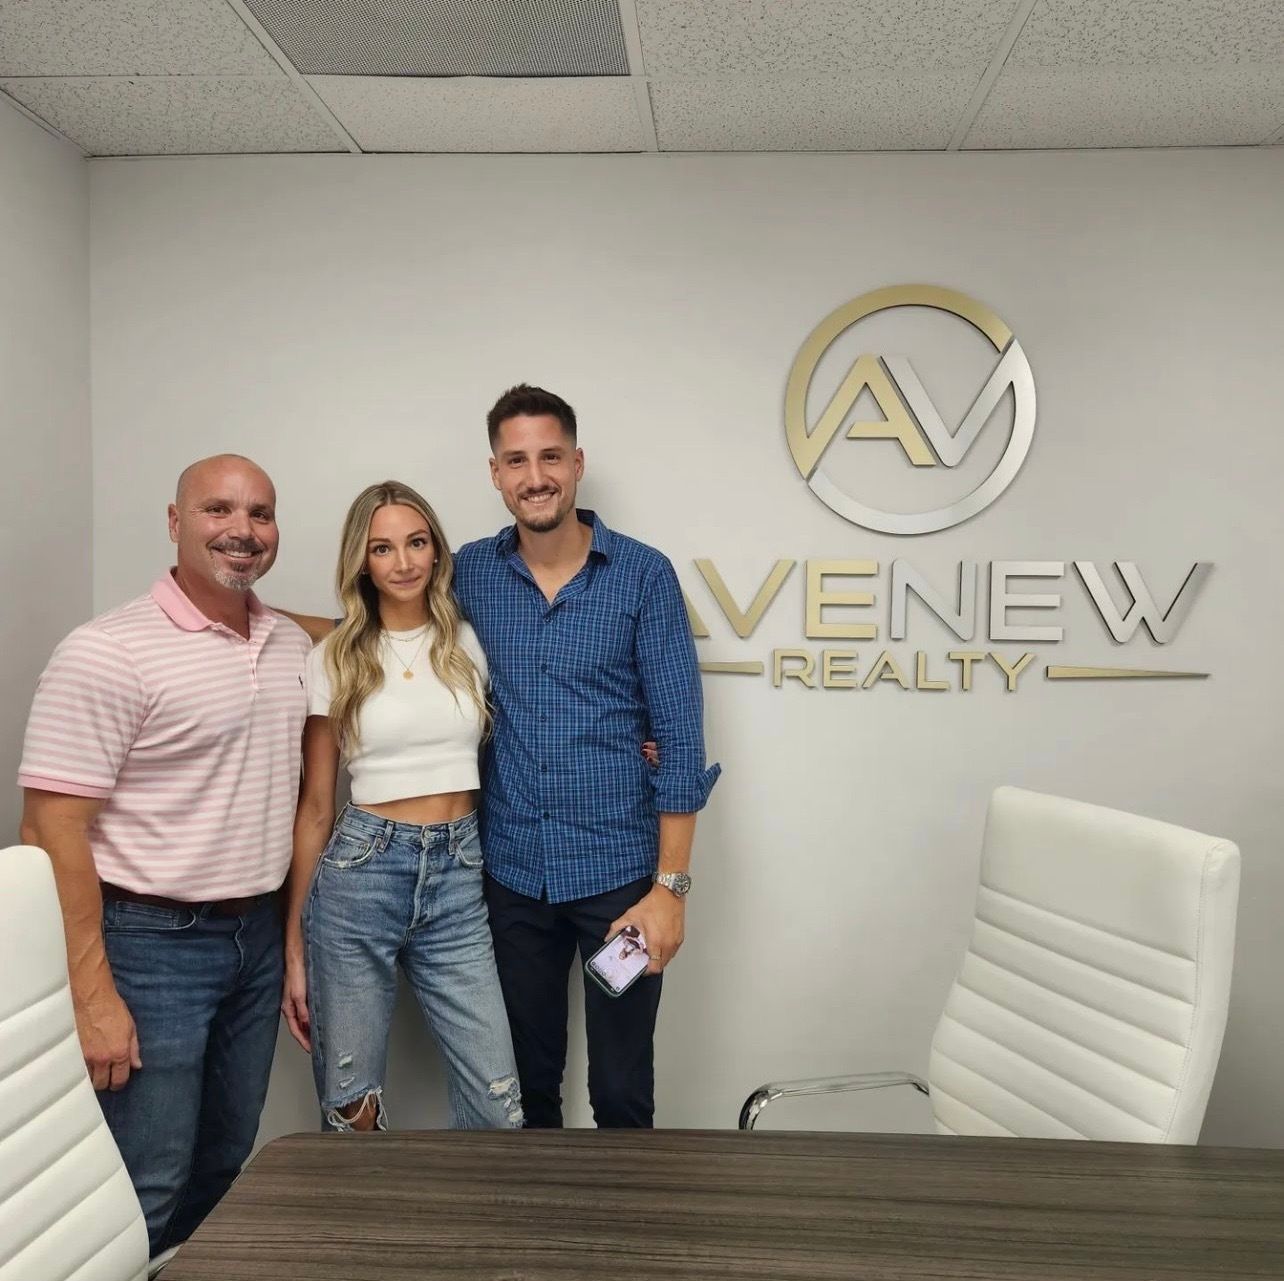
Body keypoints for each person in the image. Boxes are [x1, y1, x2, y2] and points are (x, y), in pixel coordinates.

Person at [17, 455, 311, 1260]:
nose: (242, 530)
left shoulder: (288, 642)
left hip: (253, 935)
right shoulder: (107, 651)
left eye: (261, 512)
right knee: (140, 1178)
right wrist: (90, 993)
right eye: (218, 509)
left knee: (224, 1161)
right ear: (175, 522)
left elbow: (366, 629)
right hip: (147, 945)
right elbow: (48, 829)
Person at [459, 383, 720, 1128]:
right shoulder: (468, 572)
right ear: (495, 472)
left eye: (549, 456)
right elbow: (380, 624)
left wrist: (670, 889)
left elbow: (678, 738)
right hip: (512, 879)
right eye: (516, 460)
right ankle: (538, 1238)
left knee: (621, 1089)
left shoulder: (643, 575)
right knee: (526, 1085)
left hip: (622, 886)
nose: (533, 475)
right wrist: (258, 617)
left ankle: (625, 1238)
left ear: (576, 463)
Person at [281, 480, 522, 1132]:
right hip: (362, 869)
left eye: (417, 542)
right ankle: (365, 1234)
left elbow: (542, 713)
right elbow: (316, 807)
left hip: (458, 871)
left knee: (500, 1109)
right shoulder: (334, 656)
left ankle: (475, 1234)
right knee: (353, 1107)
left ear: (437, 551)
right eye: (383, 548)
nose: (404, 561)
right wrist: (293, 943)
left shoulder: (469, 645)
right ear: (363, 560)